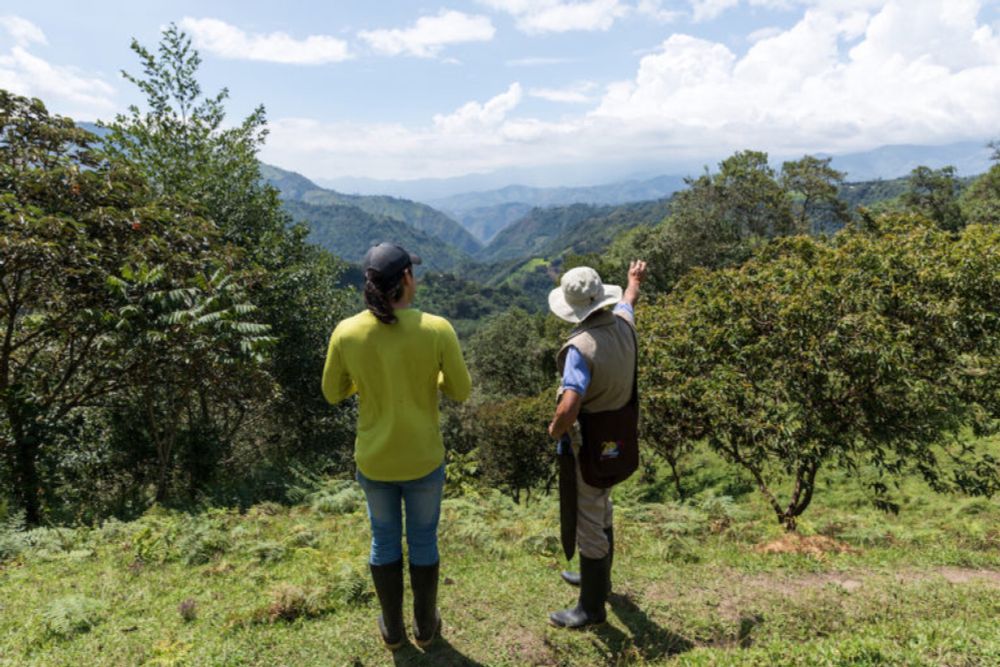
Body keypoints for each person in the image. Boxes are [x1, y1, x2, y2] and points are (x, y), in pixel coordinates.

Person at [322, 242, 471, 651]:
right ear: (406, 278)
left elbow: (333, 392)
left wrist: (368, 383)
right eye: (414, 273)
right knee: (423, 540)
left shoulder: (347, 332)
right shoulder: (437, 328)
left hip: (375, 460)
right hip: (423, 458)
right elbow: (460, 390)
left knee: (383, 540)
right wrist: (431, 380)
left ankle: (392, 630)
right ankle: (426, 626)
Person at [546, 260, 647, 628]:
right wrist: (633, 281)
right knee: (602, 506)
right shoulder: (624, 326)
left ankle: (590, 608)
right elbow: (630, 301)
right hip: (620, 437)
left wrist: (556, 429)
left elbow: (570, 403)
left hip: (589, 445)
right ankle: (598, 579)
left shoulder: (580, 348)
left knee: (589, 516)